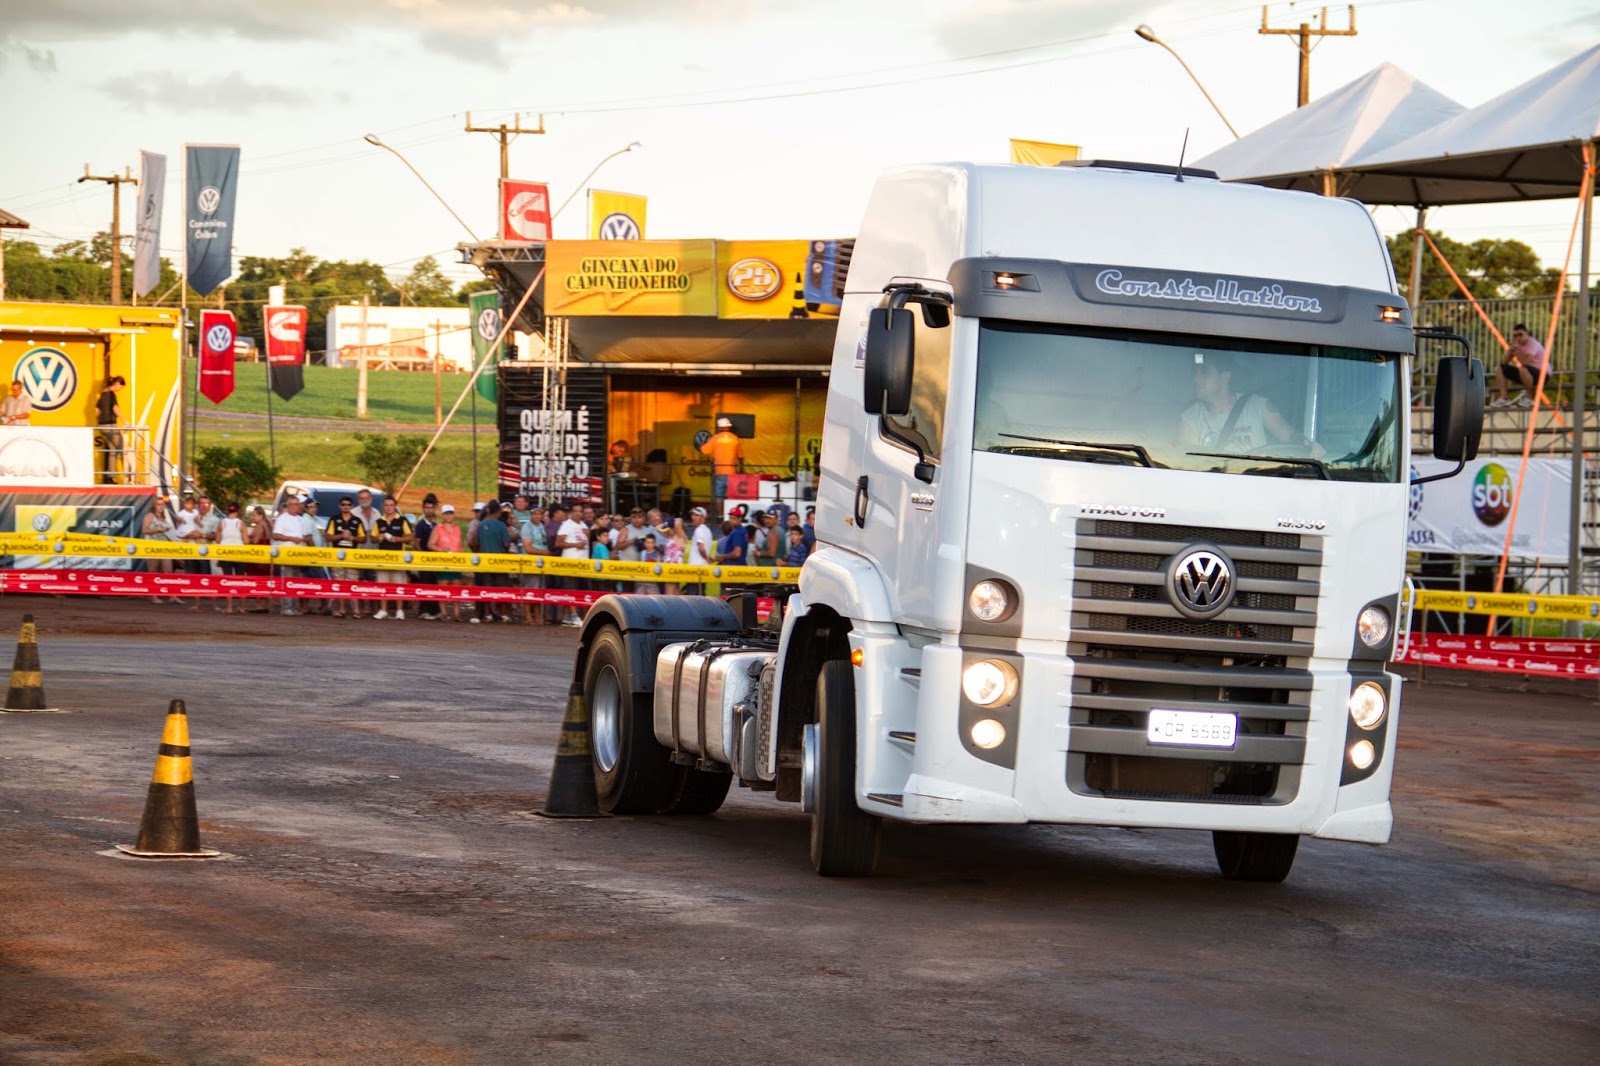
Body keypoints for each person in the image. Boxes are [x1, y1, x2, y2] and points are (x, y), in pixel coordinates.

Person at [1176, 352, 1319, 456]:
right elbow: (1191, 467)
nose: (1196, 379)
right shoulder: (1189, 420)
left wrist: (1306, 444)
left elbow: (1288, 434)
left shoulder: (1257, 405)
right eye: (1195, 373)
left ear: (1225, 376)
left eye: (1204, 372)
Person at [324, 496, 365, 619]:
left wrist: (353, 538)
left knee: (353, 582)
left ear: (352, 506)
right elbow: (328, 536)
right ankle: (342, 609)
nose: (345, 506)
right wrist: (341, 536)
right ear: (339, 506)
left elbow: (363, 538)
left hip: (352, 556)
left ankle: (356, 610)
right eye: (343, 504)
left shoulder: (357, 520)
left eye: (348, 504)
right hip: (338, 555)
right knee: (340, 583)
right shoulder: (334, 519)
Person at [371, 496, 412, 620]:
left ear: (395, 506)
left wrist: (398, 539)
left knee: (399, 584)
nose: (389, 508)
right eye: (386, 505)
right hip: (383, 558)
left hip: (398, 558)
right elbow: (372, 538)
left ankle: (400, 610)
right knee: (383, 585)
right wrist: (379, 537)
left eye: (391, 505)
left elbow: (410, 536)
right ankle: (383, 610)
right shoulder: (379, 522)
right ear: (383, 507)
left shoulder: (402, 520)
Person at [473, 500, 514, 623]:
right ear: (498, 511)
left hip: (485, 561)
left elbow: (475, 542)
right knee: (501, 588)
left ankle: (488, 613)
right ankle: (502, 613)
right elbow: (506, 543)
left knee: (487, 587)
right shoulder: (501, 525)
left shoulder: (480, 525)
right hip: (500, 561)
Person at [428, 503, 468, 622]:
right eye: (446, 513)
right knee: (443, 587)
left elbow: (460, 545)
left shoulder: (457, 529)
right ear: (442, 515)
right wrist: (441, 550)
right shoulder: (438, 529)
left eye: (450, 513)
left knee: (456, 587)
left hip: (456, 562)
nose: (449, 516)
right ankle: (444, 612)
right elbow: (430, 544)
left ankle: (456, 613)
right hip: (443, 561)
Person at [271, 495, 309, 616]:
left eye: (296, 504)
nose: (293, 507)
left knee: (296, 580)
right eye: (291, 504)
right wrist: (291, 538)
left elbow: (304, 535)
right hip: (287, 554)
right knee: (287, 579)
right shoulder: (282, 518)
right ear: (287, 506)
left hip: (299, 555)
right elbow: (276, 535)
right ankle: (286, 607)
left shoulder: (301, 519)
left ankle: (293, 606)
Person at [1493, 323, 1548, 407]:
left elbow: (1526, 362)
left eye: (1520, 335)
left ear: (1527, 334)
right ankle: (1504, 398)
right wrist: (1510, 351)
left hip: (1542, 374)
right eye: (1515, 335)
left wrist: (1516, 352)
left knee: (1523, 369)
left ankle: (1528, 398)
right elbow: (1503, 363)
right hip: (1527, 374)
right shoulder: (1517, 345)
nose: (1518, 337)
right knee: (1499, 369)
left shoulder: (1532, 344)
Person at [698, 416, 744, 513]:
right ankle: (731, 516)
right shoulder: (735, 438)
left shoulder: (716, 438)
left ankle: (720, 516)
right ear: (728, 427)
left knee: (719, 495)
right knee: (732, 495)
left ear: (719, 427)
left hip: (720, 471)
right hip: (732, 472)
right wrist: (741, 468)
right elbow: (740, 456)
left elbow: (704, 450)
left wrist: (703, 443)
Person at [555, 504, 591, 627]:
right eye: (575, 511)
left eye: (580, 511)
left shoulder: (583, 525)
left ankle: (568, 617)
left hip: (583, 564)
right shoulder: (566, 525)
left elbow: (586, 542)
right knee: (571, 590)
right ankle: (574, 616)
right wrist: (575, 545)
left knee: (579, 590)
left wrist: (588, 534)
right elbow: (558, 543)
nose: (578, 513)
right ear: (571, 513)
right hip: (570, 562)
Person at [140, 494, 177, 604]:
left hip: (165, 547)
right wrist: (158, 530)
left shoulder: (164, 518)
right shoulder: (150, 516)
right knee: (153, 571)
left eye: (162, 505)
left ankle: (172, 595)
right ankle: (153, 595)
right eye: (158, 504)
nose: (161, 507)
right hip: (153, 547)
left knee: (168, 571)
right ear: (154, 506)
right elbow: (144, 530)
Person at [519, 505, 550, 625]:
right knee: (530, 589)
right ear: (531, 514)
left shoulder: (541, 526)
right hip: (531, 562)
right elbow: (527, 548)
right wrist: (544, 553)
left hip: (540, 563)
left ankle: (537, 616)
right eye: (535, 514)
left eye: (539, 514)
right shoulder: (527, 527)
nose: (537, 516)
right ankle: (528, 616)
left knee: (538, 590)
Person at [413, 494, 441, 620]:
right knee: (425, 583)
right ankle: (423, 610)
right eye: (426, 508)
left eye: (431, 507)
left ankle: (434, 610)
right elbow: (416, 543)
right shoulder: (420, 525)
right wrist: (422, 557)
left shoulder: (435, 525)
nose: (429, 510)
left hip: (434, 560)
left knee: (434, 583)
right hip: (424, 560)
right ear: (423, 509)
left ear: (434, 508)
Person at [94, 376, 125, 484]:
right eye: (120, 387)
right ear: (117, 384)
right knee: (122, 448)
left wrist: (101, 420)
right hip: (110, 425)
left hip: (101, 426)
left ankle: (110, 477)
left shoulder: (102, 394)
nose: (119, 389)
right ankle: (129, 476)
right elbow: (115, 409)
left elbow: (96, 411)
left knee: (113, 449)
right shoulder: (111, 394)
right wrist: (125, 421)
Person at [217, 503, 247, 614]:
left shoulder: (222, 523)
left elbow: (217, 539)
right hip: (239, 553)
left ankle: (229, 607)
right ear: (238, 511)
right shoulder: (241, 523)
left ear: (227, 510)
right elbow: (246, 541)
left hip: (226, 553)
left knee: (228, 580)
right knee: (241, 580)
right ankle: (242, 607)